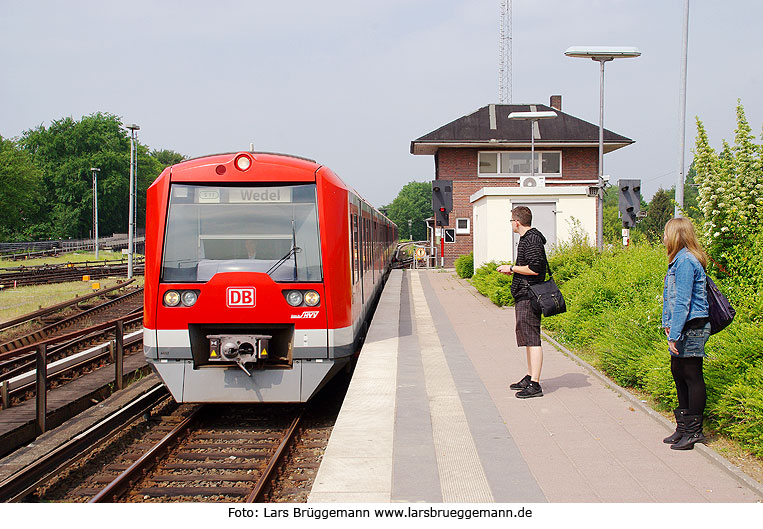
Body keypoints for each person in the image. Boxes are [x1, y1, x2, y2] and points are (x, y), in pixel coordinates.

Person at [661, 217, 710, 450]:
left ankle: (693, 432)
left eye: (666, 233)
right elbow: (669, 299)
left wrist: (675, 333)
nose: (664, 238)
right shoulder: (678, 260)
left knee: (691, 374)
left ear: (676, 236)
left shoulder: (686, 262)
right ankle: (683, 427)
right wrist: (667, 324)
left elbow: (683, 301)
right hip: (682, 326)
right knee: (678, 372)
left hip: (693, 326)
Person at [497, 206, 548, 398]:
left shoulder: (532, 240)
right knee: (527, 338)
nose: (511, 224)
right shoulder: (527, 239)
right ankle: (530, 375)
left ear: (517, 222)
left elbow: (535, 268)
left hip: (530, 295)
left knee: (533, 339)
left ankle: (535, 384)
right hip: (524, 294)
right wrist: (514, 270)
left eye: (511, 221)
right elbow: (529, 267)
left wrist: (512, 267)